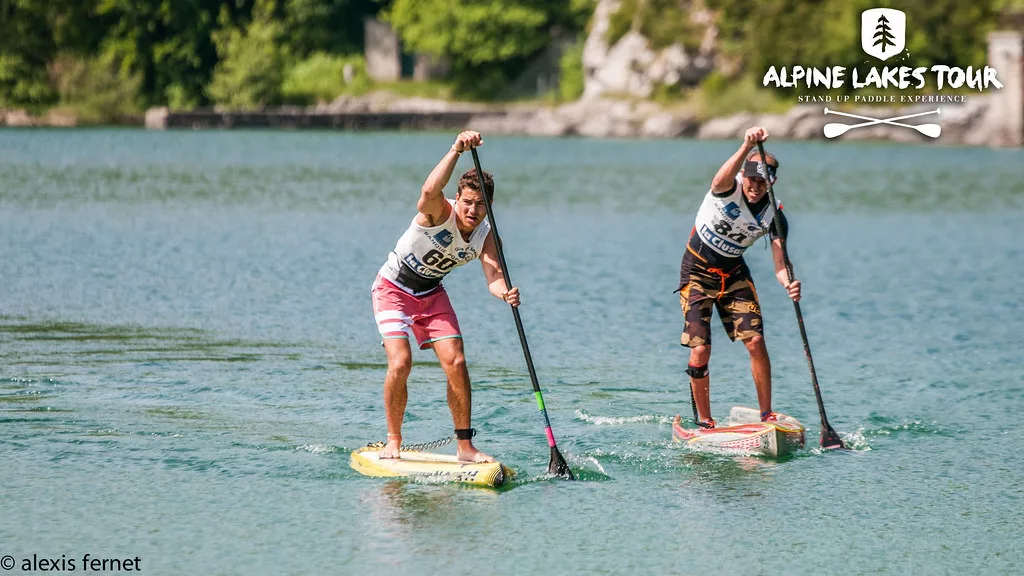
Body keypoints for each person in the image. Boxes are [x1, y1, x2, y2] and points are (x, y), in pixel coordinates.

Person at [371, 130, 519, 462]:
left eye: (480, 204)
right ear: (457, 198)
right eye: (467, 202)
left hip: (432, 292)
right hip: (393, 288)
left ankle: (465, 446)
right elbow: (428, 190)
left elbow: (494, 277)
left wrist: (505, 294)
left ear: (489, 206)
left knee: (457, 361)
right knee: (401, 362)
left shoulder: (487, 236)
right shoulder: (439, 212)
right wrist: (456, 149)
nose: (472, 210)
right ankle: (393, 440)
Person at [677, 126, 801, 428]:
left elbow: (780, 263)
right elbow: (718, 179)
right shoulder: (726, 188)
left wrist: (789, 283)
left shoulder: (774, 215)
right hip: (696, 272)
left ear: (772, 182)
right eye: (751, 180)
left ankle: (766, 414)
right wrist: (746, 145)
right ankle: (705, 420)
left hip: (734, 273)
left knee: (756, 341)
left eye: (762, 182)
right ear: (742, 176)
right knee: (700, 348)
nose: (755, 187)